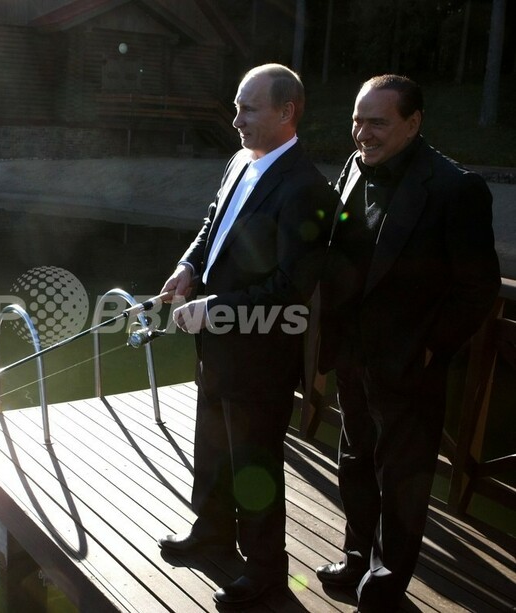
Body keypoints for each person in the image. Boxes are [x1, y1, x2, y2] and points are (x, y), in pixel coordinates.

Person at [316, 74, 501, 612]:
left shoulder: (455, 188)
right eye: (357, 119)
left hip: (408, 365)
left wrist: (431, 349)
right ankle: (356, 558)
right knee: (354, 460)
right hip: (351, 354)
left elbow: (479, 287)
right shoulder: (354, 167)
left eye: (377, 122)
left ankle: (388, 579)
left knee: (401, 477)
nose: (362, 133)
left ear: (413, 123)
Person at [157, 63, 337, 607]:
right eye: (236, 106)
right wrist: (188, 268)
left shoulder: (308, 188)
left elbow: (290, 289)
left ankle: (265, 572)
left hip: (260, 355)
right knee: (210, 447)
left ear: (288, 112)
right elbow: (213, 224)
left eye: (248, 108)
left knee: (255, 466)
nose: (236, 120)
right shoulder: (241, 160)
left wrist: (214, 309)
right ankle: (211, 531)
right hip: (215, 347)